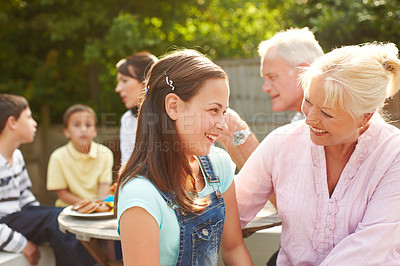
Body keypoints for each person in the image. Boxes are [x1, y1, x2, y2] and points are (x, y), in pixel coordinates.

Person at [235, 42, 400, 264]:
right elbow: (230, 212)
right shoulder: (282, 142)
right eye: (308, 101)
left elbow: (368, 248)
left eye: (326, 113)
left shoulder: (393, 155)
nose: (309, 119)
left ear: (365, 117)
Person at [115, 49, 253, 265]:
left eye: (224, 111)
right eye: (213, 110)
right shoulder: (139, 194)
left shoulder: (220, 165)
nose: (223, 125)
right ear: (174, 107)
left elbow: (234, 249)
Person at [0, 94, 95, 265]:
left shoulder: (17, 156)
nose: (34, 123)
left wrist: (39, 219)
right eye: (29, 117)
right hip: (5, 223)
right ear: (12, 122)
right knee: (56, 219)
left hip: (18, 218)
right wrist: (21, 244)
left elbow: (25, 198)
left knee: (60, 217)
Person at [217, 27, 324, 171]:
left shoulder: (328, 126)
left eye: (272, 77)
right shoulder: (299, 120)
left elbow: (276, 187)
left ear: (304, 72)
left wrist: (238, 132)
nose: (265, 88)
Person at [47, 104, 113, 207]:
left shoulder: (105, 154)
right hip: (68, 209)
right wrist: (87, 206)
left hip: (98, 207)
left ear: (95, 131)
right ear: (67, 132)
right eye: (77, 125)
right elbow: (62, 193)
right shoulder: (57, 157)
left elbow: (104, 185)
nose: (83, 129)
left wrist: (98, 206)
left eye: (88, 125)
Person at [115, 51, 158, 166]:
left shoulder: (172, 116)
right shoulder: (128, 119)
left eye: (124, 81)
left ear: (146, 82)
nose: (118, 88)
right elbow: (127, 164)